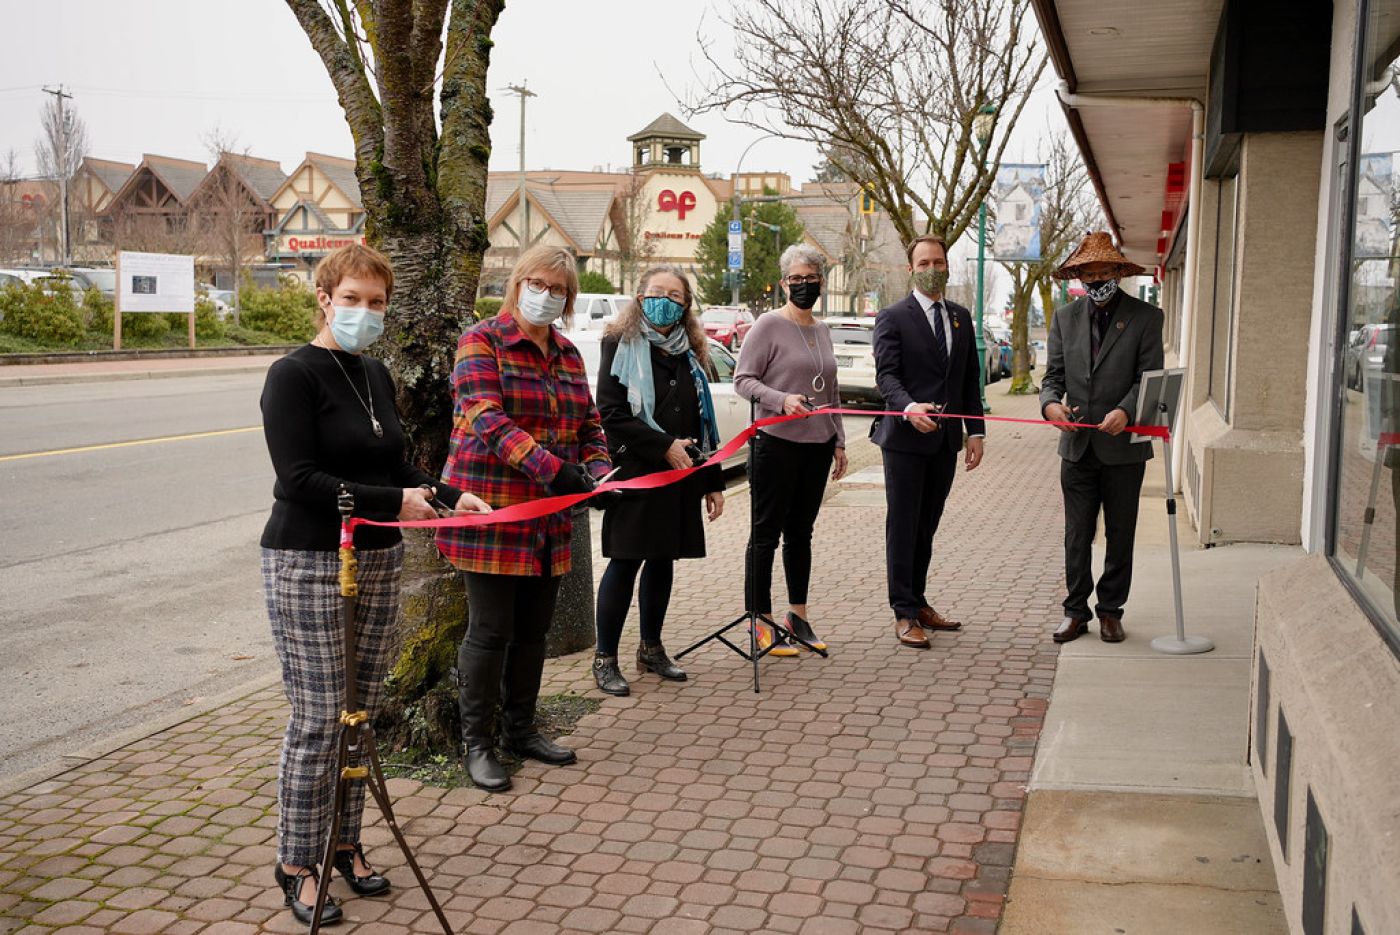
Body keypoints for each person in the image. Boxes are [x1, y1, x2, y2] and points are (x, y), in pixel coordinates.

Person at [259, 244, 491, 925]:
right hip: (308, 561)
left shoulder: (376, 374)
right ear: (324, 298)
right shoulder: (292, 375)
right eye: (352, 298)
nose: (365, 311)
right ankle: (298, 860)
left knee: (361, 713)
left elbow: (396, 465)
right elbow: (297, 480)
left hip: (380, 558)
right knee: (321, 715)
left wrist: (450, 494)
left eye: (377, 302)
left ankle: (345, 842)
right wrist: (392, 503)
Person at [437, 245, 612, 793]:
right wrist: (554, 470)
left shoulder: (566, 352)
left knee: (534, 630)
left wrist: (600, 473)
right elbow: (487, 419)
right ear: (516, 284)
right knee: (490, 630)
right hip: (491, 510)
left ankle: (520, 729)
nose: (546, 295)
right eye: (537, 283)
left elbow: (589, 421)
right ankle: (478, 744)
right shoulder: (480, 340)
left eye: (558, 289)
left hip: (549, 519)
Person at [590, 266, 726, 696]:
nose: (663, 300)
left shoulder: (691, 351)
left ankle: (651, 648)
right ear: (639, 296)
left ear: (686, 305)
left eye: (674, 294)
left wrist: (713, 481)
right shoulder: (619, 342)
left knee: (663, 560)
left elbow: (704, 420)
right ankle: (605, 658)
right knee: (626, 561)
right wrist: (663, 444)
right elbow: (611, 413)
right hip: (635, 473)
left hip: (681, 474)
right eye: (655, 292)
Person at [1040, 231, 1164, 643]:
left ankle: (1111, 610)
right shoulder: (1064, 318)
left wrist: (1126, 410)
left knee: (1120, 532)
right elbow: (1052, 378)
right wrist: (1050, 405)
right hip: (1077, 446)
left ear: (1117, 272)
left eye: (1103, 271)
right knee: (1077, 534)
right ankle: (1076, 611)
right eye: (1087, 273)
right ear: (1079, 275)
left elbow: (1149, 378)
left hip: (1124, 447)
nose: (1096, 280)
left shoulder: (1147, 318)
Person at [871, 235, 985, 649]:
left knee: (927, 525)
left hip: (945, 443)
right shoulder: (893, 317)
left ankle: (918, 601)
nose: (932, 268)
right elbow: (886, 377)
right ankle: (903, 612)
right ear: (910, 269)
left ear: (948, 266)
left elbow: (968, 378)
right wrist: (908, 407)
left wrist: (976, 430)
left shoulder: (960, 316)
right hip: (904, 440)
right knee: (903, 525)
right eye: (924, 262)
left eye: (938, 261)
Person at [734, 244, 848, 656]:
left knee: (801, 534)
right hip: (776, 445)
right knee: (765, 535)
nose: (802, 286)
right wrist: (781, 400)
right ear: (784, 283)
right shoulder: (768, 325)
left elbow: (830, 390)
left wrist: (838, 439)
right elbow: (743, 379)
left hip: (816, 448)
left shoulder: (822, 330)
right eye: (794, 279)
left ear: (821, 281)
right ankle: (759, 622)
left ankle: (797, 616)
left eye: (810, 278)